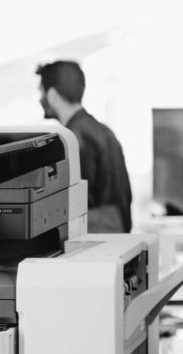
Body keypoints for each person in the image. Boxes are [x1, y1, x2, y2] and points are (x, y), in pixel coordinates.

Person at [36, 60, 132, 233]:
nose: (39, 99)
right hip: (116, 239)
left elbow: (78, 204)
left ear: (52, 95)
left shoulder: (72, 140)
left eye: (41, 92)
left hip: (95, 243)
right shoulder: (104, 131)